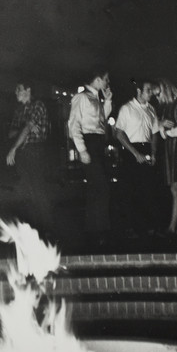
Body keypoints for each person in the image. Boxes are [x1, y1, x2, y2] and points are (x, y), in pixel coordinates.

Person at [68, 67, 113, 244]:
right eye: (106, 79)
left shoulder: (95, 98)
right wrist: (82, 149)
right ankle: (100, 230)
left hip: (98, 143)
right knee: (102, 187)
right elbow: (74, 125)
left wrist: (108, 101)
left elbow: (101, 120)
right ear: (98, 79)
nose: (108, 82)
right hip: (89, 144)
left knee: (96, 188)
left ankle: (93, 232)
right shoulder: (81, 98)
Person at [115, 79, 160, 237]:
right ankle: (131, 229)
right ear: (139, 91)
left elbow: (154, 134)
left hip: (146, 149)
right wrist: (135, 154)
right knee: (130, 191)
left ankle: (149, 228)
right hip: (131, 151)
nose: (151, 93)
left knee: (148, 190)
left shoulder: (152, 110)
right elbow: (119, 133)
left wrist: (153, 153)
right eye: (148, 90)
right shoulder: (127, 109)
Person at [6, 82, 51, 234]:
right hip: (22, 154)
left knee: (38, 191)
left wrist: (13, 148)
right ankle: (33, 230)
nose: (15, 92)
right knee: (25, 192)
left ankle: (46, 231)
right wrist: (25, 126)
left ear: (28, 90)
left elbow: (25, 129)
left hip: (35, 151)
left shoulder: (38, 105)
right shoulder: (19, 110)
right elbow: (11, 133)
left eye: (19, 89)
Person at [153, 79, 177, 236]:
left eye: (158, 94)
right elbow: (160, 131)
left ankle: (172, 227)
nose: (157, 98)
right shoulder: (165, 107)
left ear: (166, 90)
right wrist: (162, 128)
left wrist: (166, 132)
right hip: (171, 150)